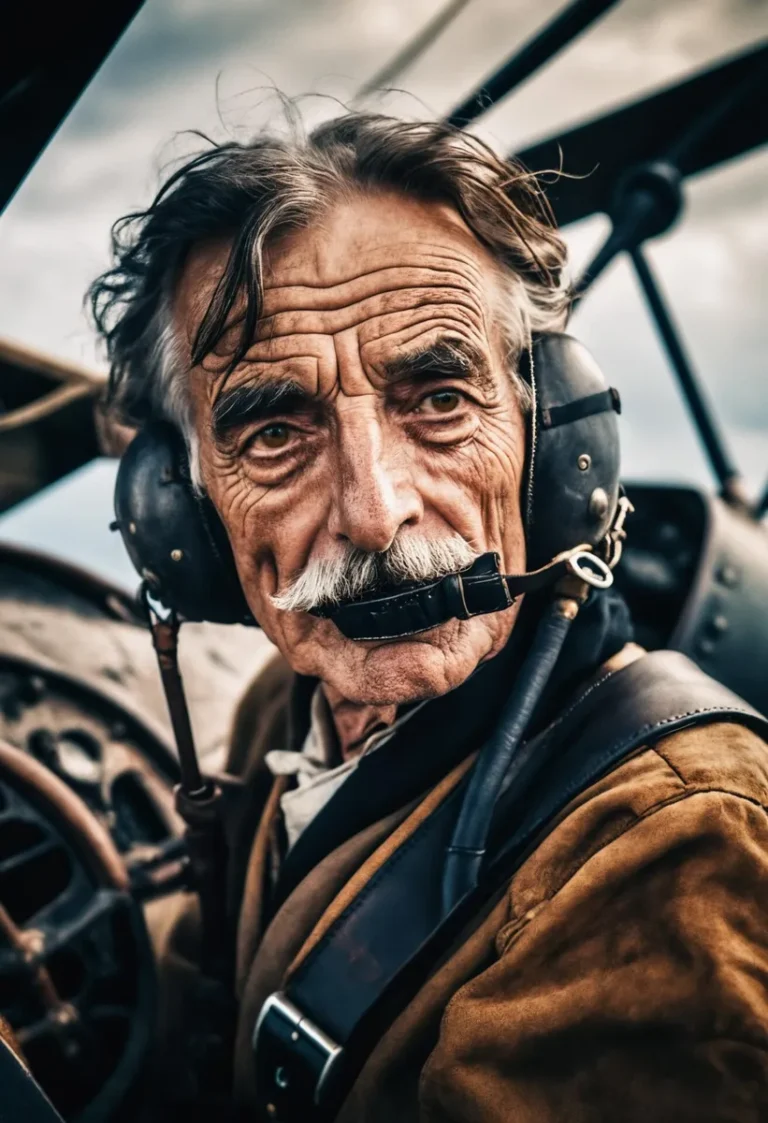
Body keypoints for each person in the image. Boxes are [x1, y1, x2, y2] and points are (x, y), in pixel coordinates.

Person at [90, 113, 768, 1122]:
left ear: (550, 441)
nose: (375, 512)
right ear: (178, 511)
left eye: (439, 400)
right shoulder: (286, 708)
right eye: (275, 430)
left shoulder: (678, 842)